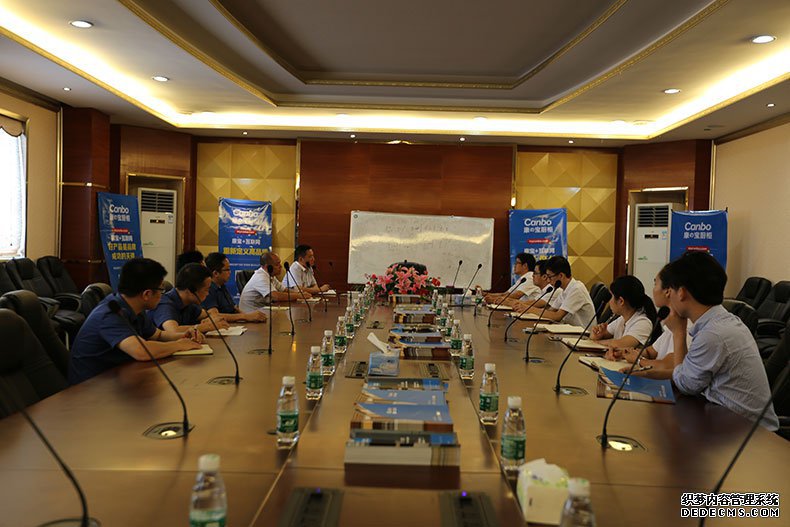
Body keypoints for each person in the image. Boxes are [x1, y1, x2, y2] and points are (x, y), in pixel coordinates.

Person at [636, 252, 778, 430]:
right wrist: (645, 375)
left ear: (681, 292)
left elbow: (685, 384)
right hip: (727, 421)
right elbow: (687, 374)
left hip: (750, 435)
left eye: (671, 290)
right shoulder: (721, 322)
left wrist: (678, 332)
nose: (668, 296)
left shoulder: (713, 334)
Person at [68, 258, 203, 384]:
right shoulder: (110, 313)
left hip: (118, 377)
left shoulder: (135, 308)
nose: (162, 295)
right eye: (161, 290)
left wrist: (184, 336)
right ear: (147, 294)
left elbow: (158, 335)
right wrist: (179, 345)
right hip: (91, 387)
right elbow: (141, 351)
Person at [148, 263, 230, 333]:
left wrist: (211, 319)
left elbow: (209, 314)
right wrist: (207, 326)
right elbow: (173, 330)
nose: (208, 293)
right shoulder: (165, 304)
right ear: (191, 290)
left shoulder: (188, 304)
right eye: (206, 290)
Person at [521, 256, 595, 326]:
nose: (548, 281)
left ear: (561, 276)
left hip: (582, 333)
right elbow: (551, 311)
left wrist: (529, 309)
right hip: (569, 329)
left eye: (550, 277)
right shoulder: (565, 289)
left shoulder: (577, 289)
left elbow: (557, 316)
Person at [590, 275, 656, 349]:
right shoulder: (622, 319)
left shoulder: (643, 322)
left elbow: (620, 345)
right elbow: (602, 334)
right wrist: (597, 335)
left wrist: (596, 342)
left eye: (611, 296)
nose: (609, 301)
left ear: (621, 301)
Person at [202, 252, 267, 323]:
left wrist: (250, 317)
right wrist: (246, 317)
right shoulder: (208, 289)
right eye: (227, 270)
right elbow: (214, 316)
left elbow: (234, 308)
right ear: (216, 273)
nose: (230, 272)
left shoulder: (221, 286)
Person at [239, 252, 311, 312]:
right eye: (277, 264)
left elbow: (284, 290)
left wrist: (300, 293)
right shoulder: (260, 277)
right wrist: (299, 296)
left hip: (263, 311)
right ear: (268, 267)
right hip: (250, 315)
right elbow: (276, 296)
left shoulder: (271, 276)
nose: (281, 266)